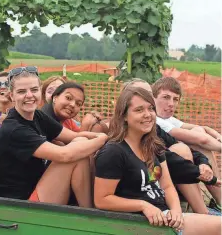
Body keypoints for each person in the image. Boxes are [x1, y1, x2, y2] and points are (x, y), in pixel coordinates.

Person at [94, 87, 221, 235]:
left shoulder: (153, 147)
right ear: (124, 116)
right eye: (139, 110)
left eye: (150, 109)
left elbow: (166, 186)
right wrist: (143, 205)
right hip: (138, 221)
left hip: (165, 216)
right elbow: (102, 199)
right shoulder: (113, 152)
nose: (147, 115)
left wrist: (176, 210)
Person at [0, 66, 108, 208]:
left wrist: (102, 136)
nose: (29, 95)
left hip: (37, 188)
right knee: (76, 153)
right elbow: (64, 155)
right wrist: (101, 140)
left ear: (40, 91)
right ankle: (90, 213)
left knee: (79, 143)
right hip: (21, 204)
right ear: (11, 96)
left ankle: (90, 207)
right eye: (21, 91)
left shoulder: (38, 116)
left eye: (33, 90)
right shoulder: (13, 129)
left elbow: (74, 136)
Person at [123, 78, 221, 215]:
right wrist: (199, 173)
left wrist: (203, 163)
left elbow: (183, 147)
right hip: (143, 190)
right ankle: (204, 214)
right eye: (140, 95)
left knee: (184, 146)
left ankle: (208, 211)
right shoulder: (120, 143)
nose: (147, 101)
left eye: (148, 96)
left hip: (159, 182)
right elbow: (168, 158)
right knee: (181, 149)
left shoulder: (154, 127)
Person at [152, 77, 221, 154]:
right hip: (160, 162)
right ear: (153, 98)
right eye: (166, 97)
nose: (171, 104)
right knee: (193, 141)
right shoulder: (156, 120)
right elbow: (202, 140)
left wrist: (218, 136)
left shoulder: (167, 119)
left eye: (175, 99)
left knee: (198, 130)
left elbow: (201, 128)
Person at [42, 81, 108, 134]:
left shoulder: (67, 120)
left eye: (78, 104)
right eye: (68, 98)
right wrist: (86, 124)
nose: (73, 105)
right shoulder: (44, 120)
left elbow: (77, 135)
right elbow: (69, 149)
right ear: (55, 98)